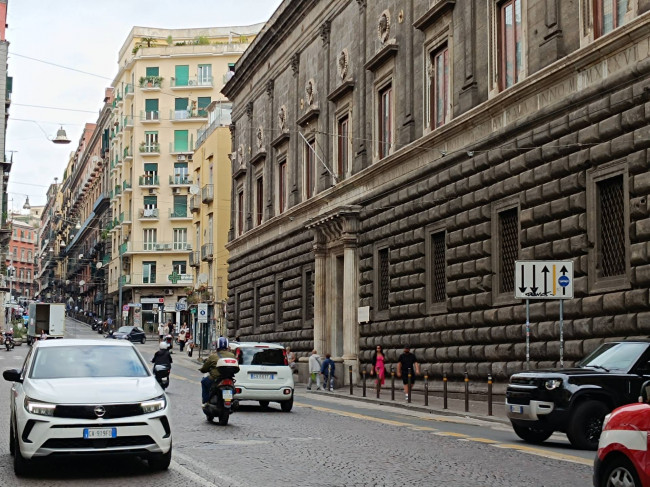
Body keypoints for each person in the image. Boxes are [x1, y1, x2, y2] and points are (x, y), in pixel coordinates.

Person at [199, 337, 236, 406]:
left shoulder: (213, 356)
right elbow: (237, 369)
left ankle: (206, 401)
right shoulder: (232, 356)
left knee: (204, 382)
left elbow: (205, 368)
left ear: (217, 346)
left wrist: (202, 370)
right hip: (229, 378)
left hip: (215, 379)